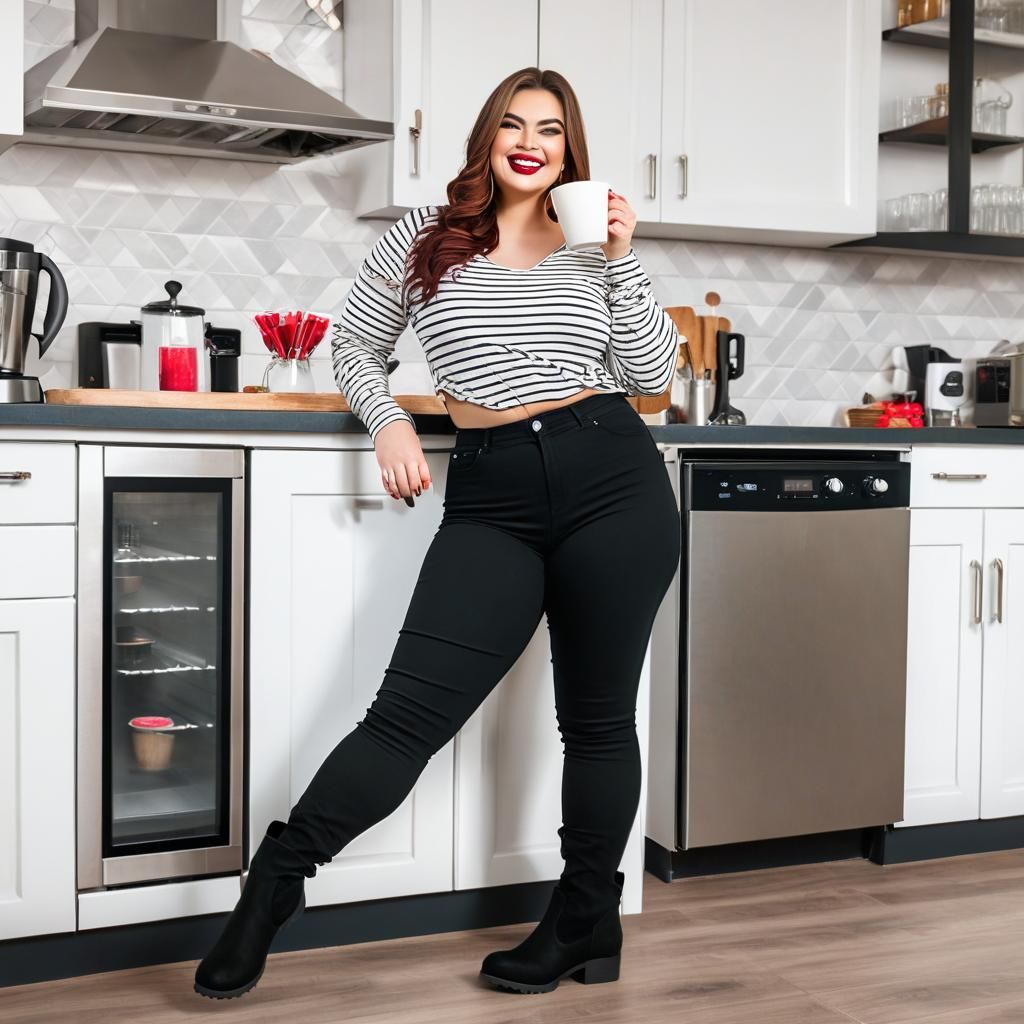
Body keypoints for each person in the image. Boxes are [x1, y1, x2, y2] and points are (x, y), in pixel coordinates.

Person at [194, 66, 683, 1001]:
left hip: (611, 478)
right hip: (493, 495)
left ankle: (585, 918)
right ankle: (273, 888)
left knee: (596, 721)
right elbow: (355, 346)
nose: (529, 139)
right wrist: (386, 420)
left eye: (549, 126)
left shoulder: (595, 245)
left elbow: (654, 375)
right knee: (407, 717)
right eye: (512, 123)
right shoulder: (425, 238)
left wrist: (623, 256)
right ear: (487, 138)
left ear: (571, 147)